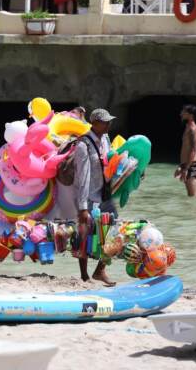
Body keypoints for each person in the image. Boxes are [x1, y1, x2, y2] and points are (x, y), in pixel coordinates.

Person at [74, 108, 117, 286]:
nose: (109, 124)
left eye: (109, 121)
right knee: (85, 236)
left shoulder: (106, 139)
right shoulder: (83, 145)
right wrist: (83, 207)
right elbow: (82, 176)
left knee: (114, 233)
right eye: (105, 121)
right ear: (95, 123)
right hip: (89, 197)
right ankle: (84, 275)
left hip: (105, 194)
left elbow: (112, 160)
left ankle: (100, 270)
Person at [174, 104, 196, 197]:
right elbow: (186, 149)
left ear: (191, 115)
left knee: (193, 197)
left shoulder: (193, 130)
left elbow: (194, 150)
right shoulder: (187, 128)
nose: (181, 113)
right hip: (186, 164)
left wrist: (186, 168)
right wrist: (181, 166)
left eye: (184, 112)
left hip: (192, 165)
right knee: (190, 196)